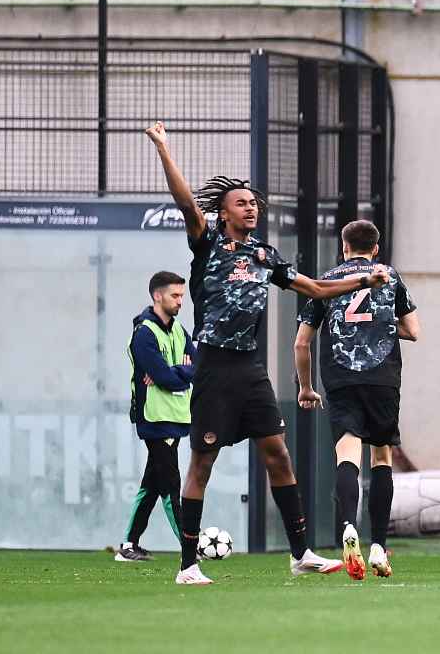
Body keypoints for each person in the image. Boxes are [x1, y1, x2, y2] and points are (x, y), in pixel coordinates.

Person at [145, 121, 391, 586]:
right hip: (214, 368)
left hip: (249, 368)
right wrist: (164, 148)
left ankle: (301, 554)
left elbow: (316, 288)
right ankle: (187, 565)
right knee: (202, 463)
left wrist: (363, 279)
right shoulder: (208, 242)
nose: (251, 207)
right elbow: (183, 202)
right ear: (222, 214)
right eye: (242, 202)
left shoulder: (264, 254)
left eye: (254, 202)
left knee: (278, 455)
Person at [293, 220, 420, 581]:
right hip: (383, 378)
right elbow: (413, 330)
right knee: (381, 457)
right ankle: (379, 545)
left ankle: (349, 526)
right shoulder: (390, 277)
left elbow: (301, 343)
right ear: (375, 248)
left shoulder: (327, 280)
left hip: (341, 377)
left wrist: (305, 387)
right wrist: (380, 323)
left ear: (344, 247)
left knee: (347, 454)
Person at [116, 271, 197, 563]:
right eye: (175, 296)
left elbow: (195, 366)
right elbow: (165, 377)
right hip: (153, 419)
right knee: (170, 484)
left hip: (176, 417)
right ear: (157, 296)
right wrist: (179, 372)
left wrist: (176, 372)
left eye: (181, 296)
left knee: (151, 484)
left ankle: (128, 545)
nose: (180, 302)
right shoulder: (144, 333)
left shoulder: (178, 330)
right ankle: (191, 545)